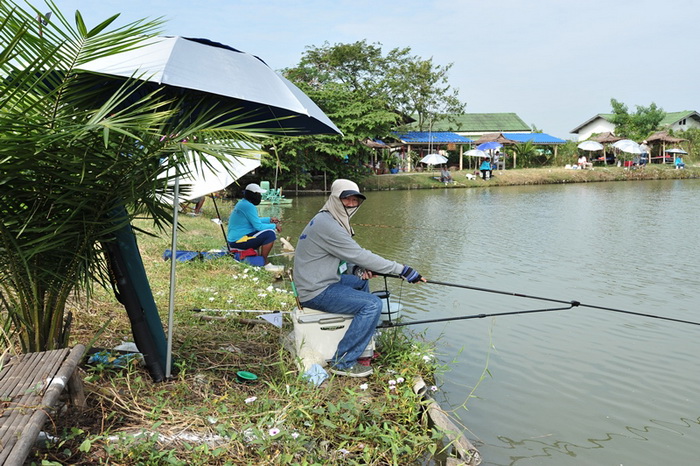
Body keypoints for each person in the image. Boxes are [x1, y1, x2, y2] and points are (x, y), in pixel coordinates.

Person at [293, 179, 424, 378]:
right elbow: (360, 254)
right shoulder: (328, 224)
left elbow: (346, 257)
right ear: (335, 199)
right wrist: (403, 270)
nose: (352, 204)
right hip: (316, 291)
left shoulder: (328, 219)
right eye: (347, 199)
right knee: (371, 305)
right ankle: (343, 361)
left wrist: (357, 270)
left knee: (361, 281)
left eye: (356, 200)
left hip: (320, 280)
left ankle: (363, 343)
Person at [227, 183, 282, 271]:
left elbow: (254, 220)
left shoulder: (243, 203)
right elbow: (258, 226)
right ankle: (264, 263)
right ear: (254, 195)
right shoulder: (249, 206)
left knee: (264, 232)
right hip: (238, 241)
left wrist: (269, 219)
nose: (260, 196)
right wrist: (274, 226)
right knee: (270, 233)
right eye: (259, 194)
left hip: (235, 239)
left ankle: (259, 258)